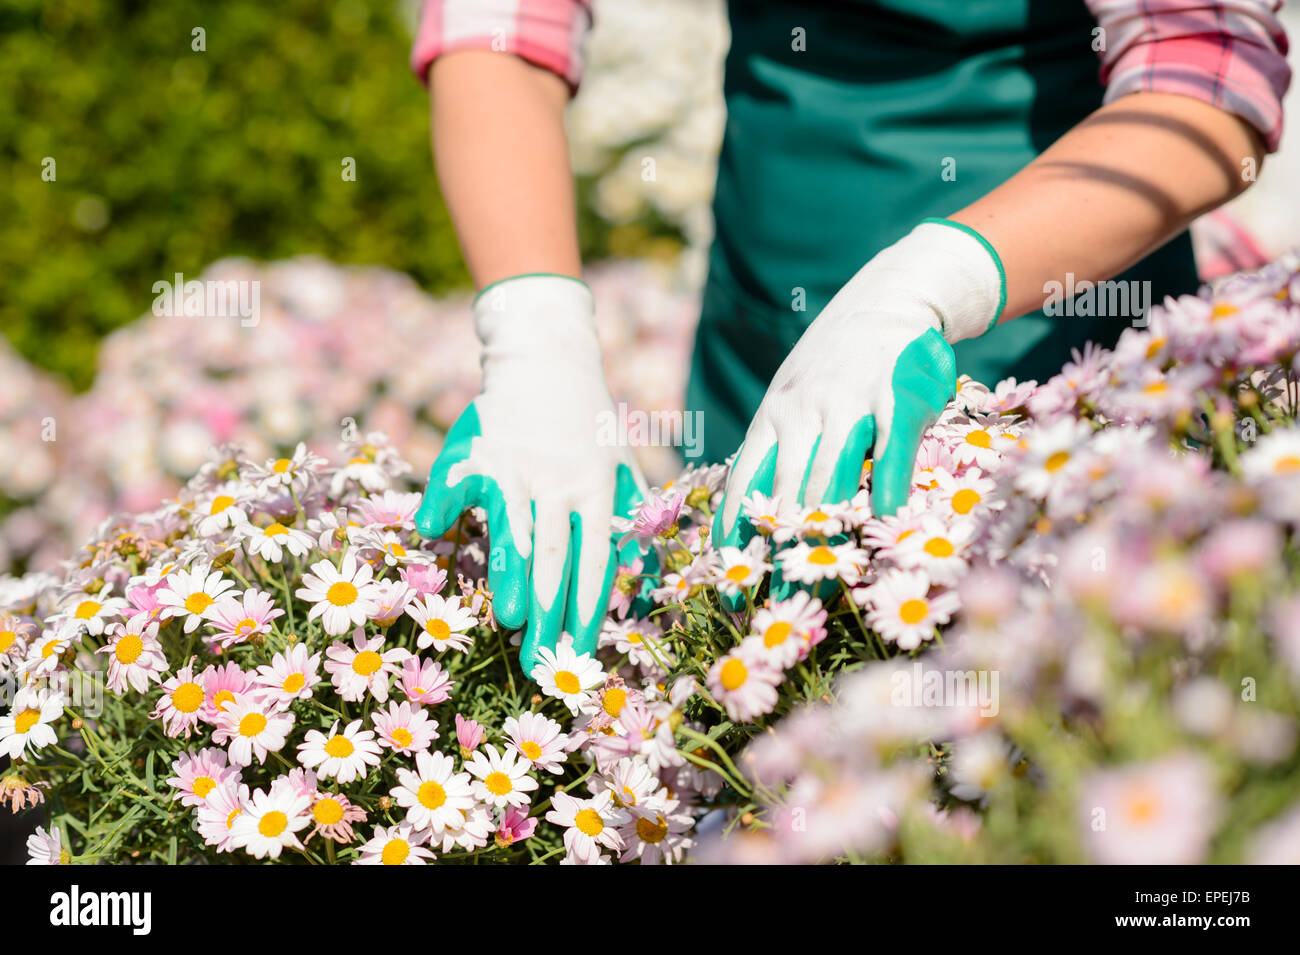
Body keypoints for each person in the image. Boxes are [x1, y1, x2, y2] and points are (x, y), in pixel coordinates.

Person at [409, 0, 1290, 674]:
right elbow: (500, 28)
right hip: (759, 328)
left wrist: (930, 283)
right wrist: (533, 331)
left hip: (1039, 344)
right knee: (732, 701)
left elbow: (1202, 83)